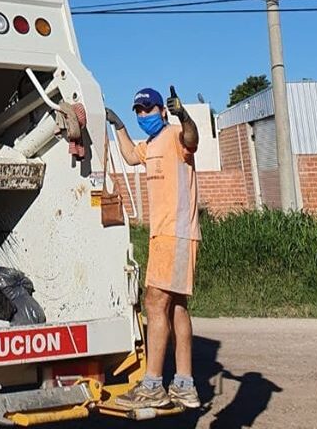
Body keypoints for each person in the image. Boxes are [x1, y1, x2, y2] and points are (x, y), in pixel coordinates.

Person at [106, 86, 202, 410]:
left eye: (148, 109)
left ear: (162, 110)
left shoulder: (176, 134)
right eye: (138, 111)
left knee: (154, 302)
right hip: (165, 236)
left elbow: (192, 139)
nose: (143, 115)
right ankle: (185, 384)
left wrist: (183, 114)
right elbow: (131, 156)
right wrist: (117, 125)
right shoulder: (150, 144)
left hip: (175, 234)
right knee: (176, 307)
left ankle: (152, 385)